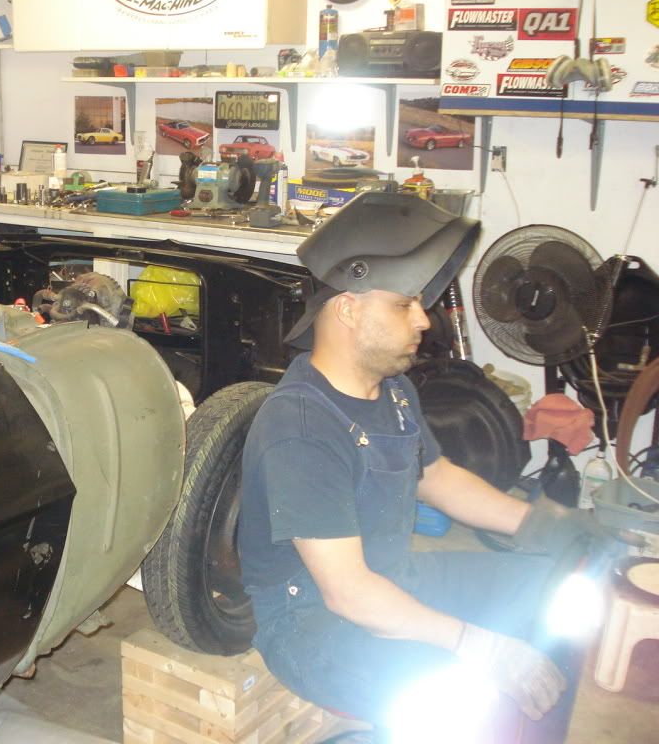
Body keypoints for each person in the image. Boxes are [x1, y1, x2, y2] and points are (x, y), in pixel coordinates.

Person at [237, 191, 624, 741]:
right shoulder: (300, 426)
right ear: (348, 309)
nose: (423, 319)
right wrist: (477, 645)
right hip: (315, 626)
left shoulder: (392, 390)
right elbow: (347, 591)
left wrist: (544, 525)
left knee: (557, 586)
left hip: (394, 579)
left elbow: (435, 478)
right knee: (462, 695)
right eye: (404, 305)